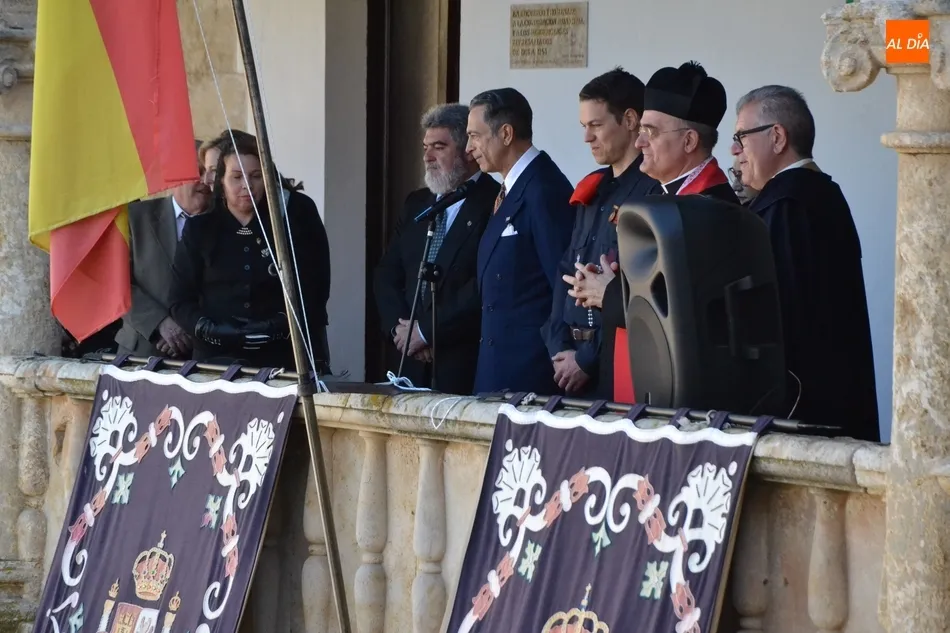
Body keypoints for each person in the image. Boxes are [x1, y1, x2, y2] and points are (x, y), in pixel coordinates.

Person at [568, 61, 738, 403]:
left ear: (689, 140)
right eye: (642, 129)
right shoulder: (660, 199)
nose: (641, 141)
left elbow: (685, 309)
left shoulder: (712, 208)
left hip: (683, 393)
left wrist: (610, 294)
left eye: (652, 131)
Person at [732, 85, 879, 441]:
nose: (734, 150)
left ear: (777, 137)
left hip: (800, 406)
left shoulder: (787, 205)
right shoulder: (818, 192)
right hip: (835, 395)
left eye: (741, 137)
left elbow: (777, 314)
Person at [541, 67, 659, 397]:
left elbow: (639, 292)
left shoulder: (652, 193)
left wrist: (587, 360)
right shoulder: (593, 190)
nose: (587, 137)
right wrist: (558, 347)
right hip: (568, 364)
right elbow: (565, 272)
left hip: (616, 365)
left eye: (596, 125)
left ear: (631, 120)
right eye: (584, 126)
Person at [169, 133, 332, 371]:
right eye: (236, 177)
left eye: (256, 176)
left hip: (283, 359)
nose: (247, 185)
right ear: (221, 183)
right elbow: (180, 299)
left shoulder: (290, 220)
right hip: (215, 361)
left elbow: (315, 288)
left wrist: (276, 326)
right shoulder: (200, 228)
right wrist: (208, 329)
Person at [373, 103, 499, 394]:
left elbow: (482, 285)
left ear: (468, 150)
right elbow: (387, 273)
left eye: (439, 147)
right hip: (406, 363)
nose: (427, 157)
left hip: (459, 362)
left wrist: (426, 332)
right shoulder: (417, 202)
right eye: (425, 147)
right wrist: (401, 332)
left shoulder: (494, 201)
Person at [467, 87, 574, 394]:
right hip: (498, 366)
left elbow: (561, 280)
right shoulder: (510, 187)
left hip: (528, 374)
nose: (469, 146)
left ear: (506, 133)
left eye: (476, 135)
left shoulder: (543, 188)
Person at [115, 140, 210, 358]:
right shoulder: (135, 217)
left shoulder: (223, 222)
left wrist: (189, 328)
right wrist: (159, 323)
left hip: (204, 356)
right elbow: (114, 283)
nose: (206, 180)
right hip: (141, 352)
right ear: (173, 174)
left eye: (211, 172)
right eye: (198, 171)